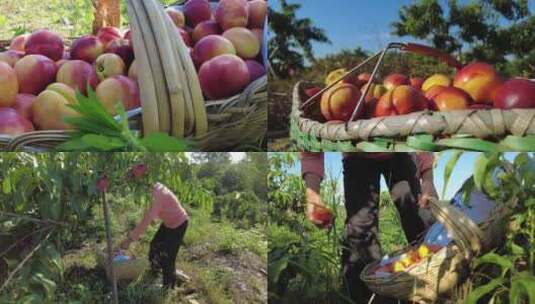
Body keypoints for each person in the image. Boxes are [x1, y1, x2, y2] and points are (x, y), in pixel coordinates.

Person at [301, 152, 437, 303]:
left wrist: (427, 179)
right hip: (356, 155)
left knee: (419, 214)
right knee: (359, 233)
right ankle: (370, 297)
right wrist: (313, 196)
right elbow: (311, 152)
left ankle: (437, 283)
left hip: (399, 148)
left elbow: (420, 131)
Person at [118, 182, 189, 289]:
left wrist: (129, 240)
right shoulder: (153, 189)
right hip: (168, 223)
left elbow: (146, 220)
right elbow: (149, 212)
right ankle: (155, 271)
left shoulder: (157, 194)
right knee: (154, 245)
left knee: (167, 256)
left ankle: (168, 287)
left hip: (179, 224)